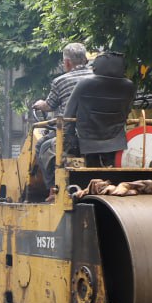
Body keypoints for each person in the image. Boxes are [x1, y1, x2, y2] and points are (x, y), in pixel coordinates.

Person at [32, 42, 92, 192]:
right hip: (101, 132)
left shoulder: (60, 81)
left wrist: (40, 104)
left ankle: (53, 189)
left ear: (66, 62)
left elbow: (49, 105)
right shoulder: (99, 78)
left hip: (71, 134)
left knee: (42, 145)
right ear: (85, 59)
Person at [62, 51, 136, 167]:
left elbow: (68, 115)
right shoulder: (129, 86)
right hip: (116, 142)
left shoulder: (84, 84)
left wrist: (68, 142)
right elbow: (127, 111)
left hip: (87, 141)